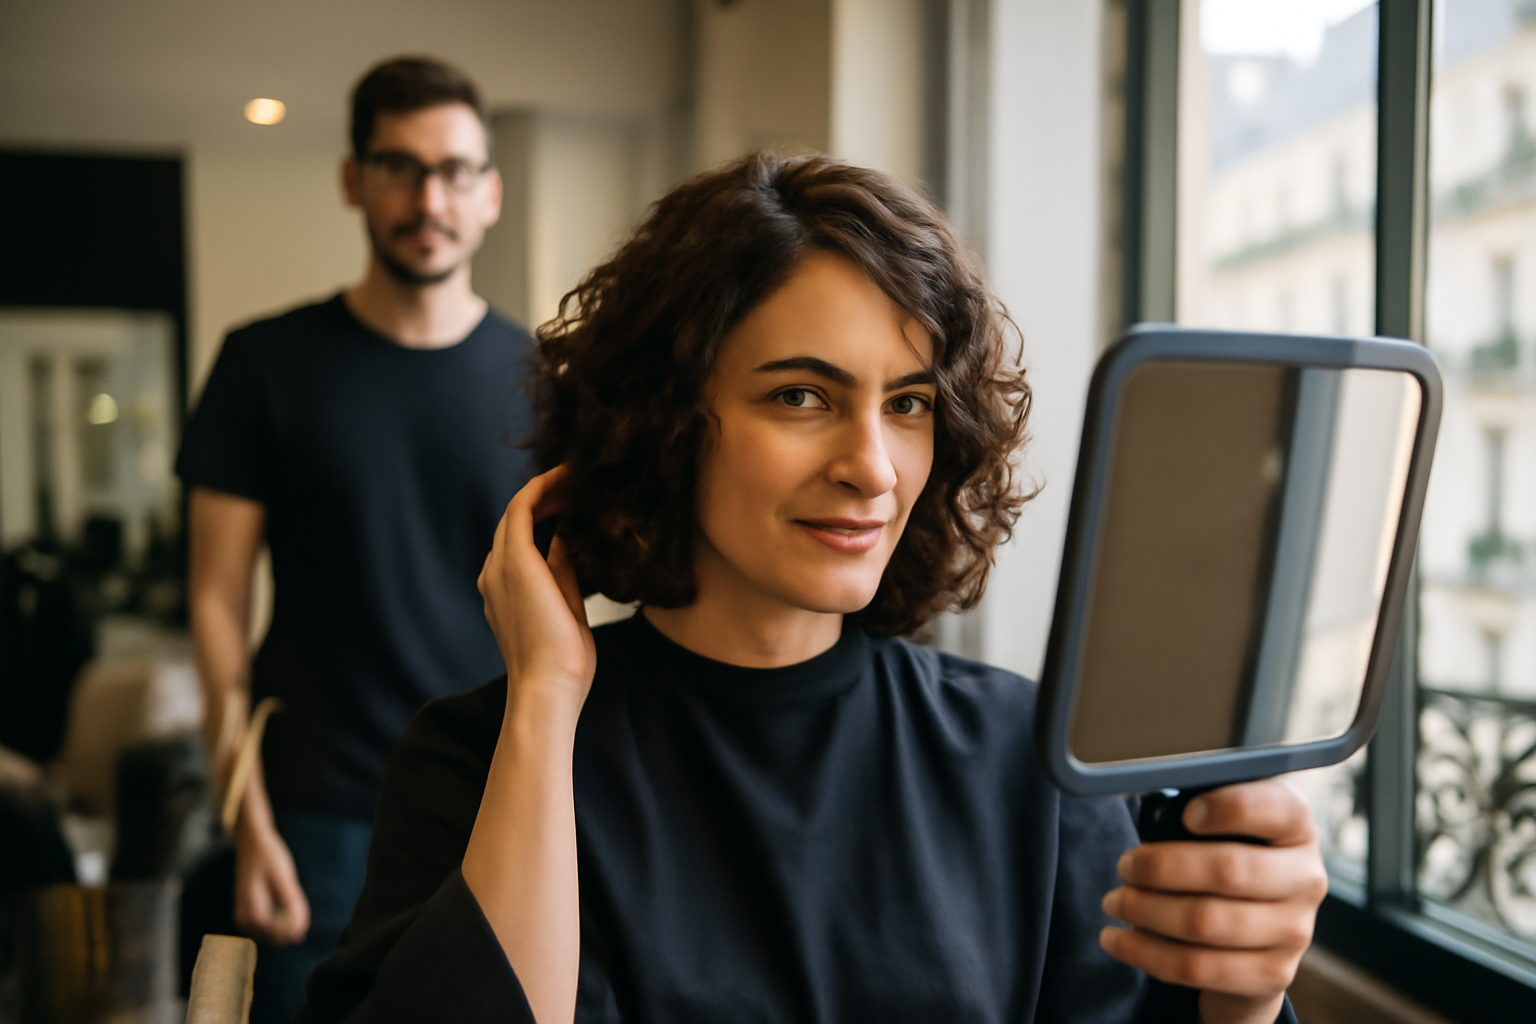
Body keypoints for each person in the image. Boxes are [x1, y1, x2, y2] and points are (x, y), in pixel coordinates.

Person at [299, 153, 1325, 1024]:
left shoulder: (1029, 762)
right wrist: (545, 704)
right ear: (664, 419)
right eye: (801, 395)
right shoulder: (478, 760)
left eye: (909, 404)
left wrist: (1241, 1004)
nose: (872, 466)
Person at [178, 57, 534, 1023]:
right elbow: (213, 601)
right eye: (399, 167)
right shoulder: (264, 366)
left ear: (490, 193)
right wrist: (246, 822)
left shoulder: (542, 380)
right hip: (316, 810)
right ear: (353, 180)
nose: (430, 198)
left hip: (493, 793)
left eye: (456, 170)